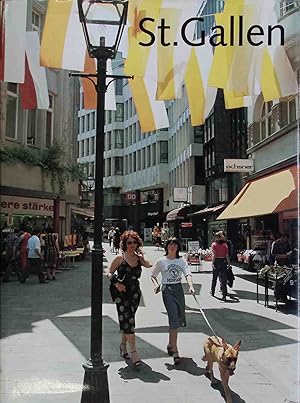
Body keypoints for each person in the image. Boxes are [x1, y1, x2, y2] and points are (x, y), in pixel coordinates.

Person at [107, 231, 152, 366]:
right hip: (122, 293)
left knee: (128, 321)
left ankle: (122, 345)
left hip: (135, 293)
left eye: (134, 242)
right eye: (129, 243)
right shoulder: (120, 258)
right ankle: (134, 353)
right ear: (124, 244)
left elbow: (149, 265)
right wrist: (116, 283)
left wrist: (143, 257)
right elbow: (109, 272)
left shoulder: (139, 259)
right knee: (129, 322)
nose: (132, 245)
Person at [151, 237, 195, 365]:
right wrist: (156, 285)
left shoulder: (181, 261)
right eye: (170, 244)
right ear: (166, 247)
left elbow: (188, 273)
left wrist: (191, 286)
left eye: (174, 245)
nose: (172, 247)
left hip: (178, 289)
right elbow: (153, 275)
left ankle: (171, 344)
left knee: (179, 317)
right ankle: (175, 350)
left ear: (178, 247)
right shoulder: (161, 261)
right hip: (167, 290)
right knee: (173, 317)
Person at [210, 231, 231, 301]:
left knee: (214, 278)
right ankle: (224, 295)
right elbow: (227, 255)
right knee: (223, 279)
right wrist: (229, 264)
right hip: (223, 262)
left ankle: (212, 292)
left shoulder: (214, 244)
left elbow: (214, 255)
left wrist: (212, 263)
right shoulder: (225, 245)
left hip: (216, 261)